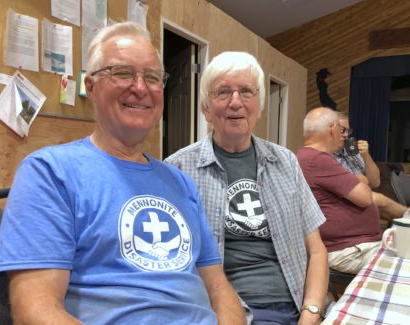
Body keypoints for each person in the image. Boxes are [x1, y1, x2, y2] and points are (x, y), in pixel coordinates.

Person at [0, 22, 245, 324]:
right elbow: (35, 313)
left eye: (152, 77)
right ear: (91, 86)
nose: (140, 87)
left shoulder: (181, 183)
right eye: (123, 73)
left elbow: (218, 287)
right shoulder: (50, 173)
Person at [165, 52, 329, 324]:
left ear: (260, 107)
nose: (236, 102)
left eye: (246, 92)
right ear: (206, 108)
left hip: (299, 304)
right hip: (231, 311)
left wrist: (311, 312)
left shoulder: (286, 162)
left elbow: (317, 250)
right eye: (223, 92)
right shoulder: (177, 170)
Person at [297, 107, 383, 274]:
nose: (345, 135)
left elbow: (372, 182)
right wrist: (360, 181)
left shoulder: (307, 156)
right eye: (342, 130)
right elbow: (365, 197)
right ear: (332, 129)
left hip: (355, 245)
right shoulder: (318, 159)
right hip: (347, 249)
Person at [333, 116, 409, 220]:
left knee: (381, 202)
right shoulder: (326, 155)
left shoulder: (350, 150)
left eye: (348, 131)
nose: (346, 135)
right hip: (345, 197)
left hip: (362, 193)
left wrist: (366, 155)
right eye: (342, 130)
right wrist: (362, 180)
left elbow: (375, 182)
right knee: (380, 200)